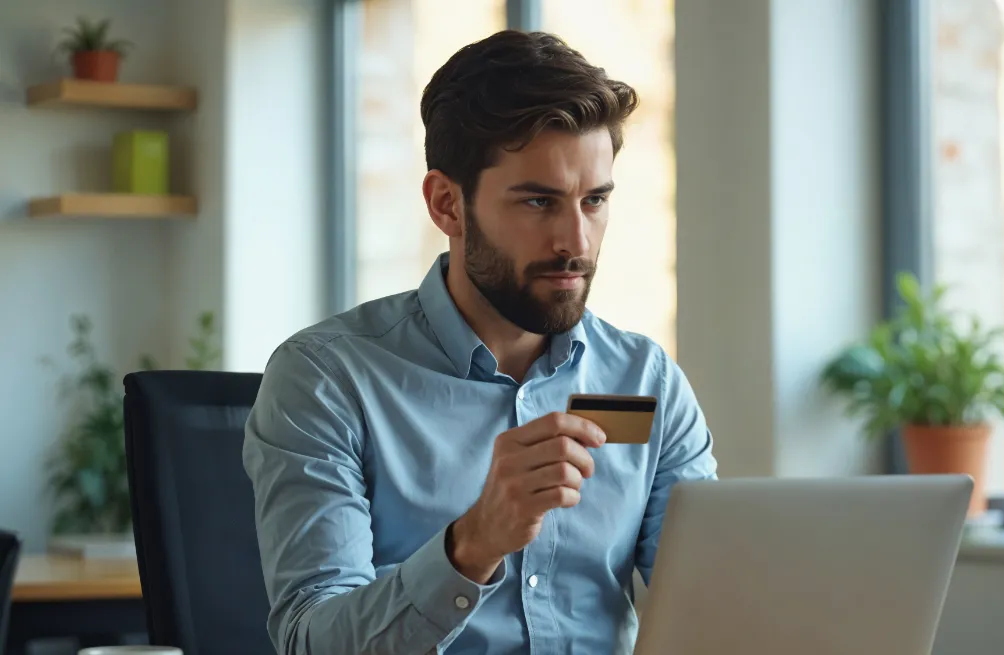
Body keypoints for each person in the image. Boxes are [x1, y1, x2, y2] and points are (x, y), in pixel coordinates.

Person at [242, 29, 717, 655]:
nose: (575, 241)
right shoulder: (327, 380)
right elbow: (311, 642)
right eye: (539, 202)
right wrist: (474, 543)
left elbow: (718, 606)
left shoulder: (645, 380)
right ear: (447, 205)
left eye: (594, 200)